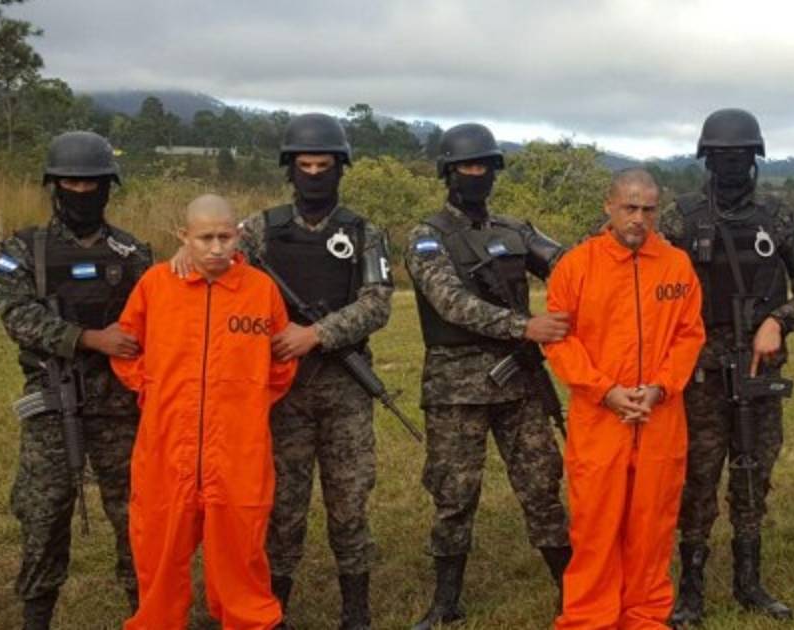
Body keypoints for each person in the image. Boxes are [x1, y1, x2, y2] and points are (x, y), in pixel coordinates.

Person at [171, 112, 394, 628]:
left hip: (344, 387)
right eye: (304, 166)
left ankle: (356, 612)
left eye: (323, 166)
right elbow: (216, 256)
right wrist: (186, 251)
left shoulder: (364, 232)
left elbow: (377, 304)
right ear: (290, 169)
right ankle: (271, 609)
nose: (314, 175)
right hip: (279, 390)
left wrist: (315, 334)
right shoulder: (258, 230)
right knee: (279, 507)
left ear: (340, 168)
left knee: (349, 503)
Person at [404, 122, 570, 629]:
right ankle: (445, 601)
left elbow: (569, 267)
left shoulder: (516, 230)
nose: (476, 174)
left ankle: (574, 590)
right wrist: (524, 326)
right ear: (448, 173)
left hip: (519, 382)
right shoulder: (427, 237)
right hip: (457, 388)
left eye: (484, 166)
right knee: (454, 495)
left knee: (542, 485)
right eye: (466, 167)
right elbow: (451, 303)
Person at [661, 108, 794, 624]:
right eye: (722, 156)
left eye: (741, 156)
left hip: (758, 366)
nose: (732, 164)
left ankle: (749, 582)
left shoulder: (778, 217)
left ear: (755, 159)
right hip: (701, 371)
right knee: (698, 476)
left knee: (754, 472)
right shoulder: (679, 218)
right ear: (706, 159)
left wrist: (778, 320)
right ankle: (690, 587)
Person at [112, 194, 297, 630]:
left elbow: (282, 360)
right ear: (184, 236)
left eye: (225, 237)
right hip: (166, 444)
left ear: (238, 236)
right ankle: (157, 621)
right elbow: (125, 346)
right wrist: (154, 389)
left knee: (241, 543)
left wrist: (247, 400)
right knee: (158, 542)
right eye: (205, 238)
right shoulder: (157, 285)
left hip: (238, 447)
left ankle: (250, 620)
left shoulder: (260, 290)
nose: (216, 248)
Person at [0, 131, 150, 629]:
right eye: (71, 183)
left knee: (137, 517)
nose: (82, 191)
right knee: (42, 514)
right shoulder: (23, 249)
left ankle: (146, 610)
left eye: (92, 183)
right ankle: (37, 614)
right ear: (54, 186)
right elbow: (17, 315)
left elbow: (157, 315)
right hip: (53, 401)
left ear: (108, 187)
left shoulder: (132, 252)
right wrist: (89, 338)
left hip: (120, 406)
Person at [545, 168, 706, 629]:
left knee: (652, 526)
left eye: (648, 209)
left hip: (660, 417)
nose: (639, 218)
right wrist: (605, 390)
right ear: (609, 207)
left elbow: (689, 334)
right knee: (595, 526)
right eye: (630, 207)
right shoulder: (577, 265)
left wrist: (660, 387)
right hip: (600, 419)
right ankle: (589, 618)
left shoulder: (676, 265)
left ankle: (645, 616)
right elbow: (559, 339)